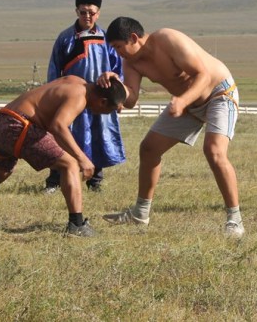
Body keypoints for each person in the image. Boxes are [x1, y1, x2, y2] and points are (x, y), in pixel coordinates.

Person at [97, 16, 245, 237]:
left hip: (218, 93)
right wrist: (116, 87)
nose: (117, 53)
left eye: (119, 47)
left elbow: (202, 75)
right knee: (149, 148)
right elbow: (131, 99)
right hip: (186, 103)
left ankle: (235, 221)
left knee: (214, 151)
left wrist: (183, 101)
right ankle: (140, 213)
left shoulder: (168, 39)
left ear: (134, 38)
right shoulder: (131, 62)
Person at [0, 75, 126, 237]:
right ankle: (77, 224)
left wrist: (108, 75)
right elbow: (58, 126)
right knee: (70, 164)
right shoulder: (80, 97)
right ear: (102, 102)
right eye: (108, 111)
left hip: (0, 121)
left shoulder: (76, 80)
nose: (104, 114)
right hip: (20, 125)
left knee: (0, 172)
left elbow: (106, 88)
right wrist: (82, 158)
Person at [42, 0, 126, 194]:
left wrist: (118, 95)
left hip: (101, 98)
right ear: (76, 11)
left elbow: (118, 70)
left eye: (92, 12)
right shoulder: (65, 38)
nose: (87, 16)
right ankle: (55, 181)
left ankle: (95, 181)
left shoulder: (107, 38)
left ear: (98, 13)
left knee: (99, 135)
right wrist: (52, 97)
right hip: (72, 98)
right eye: (83, 12)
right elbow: (55, 69)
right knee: (63, 136)